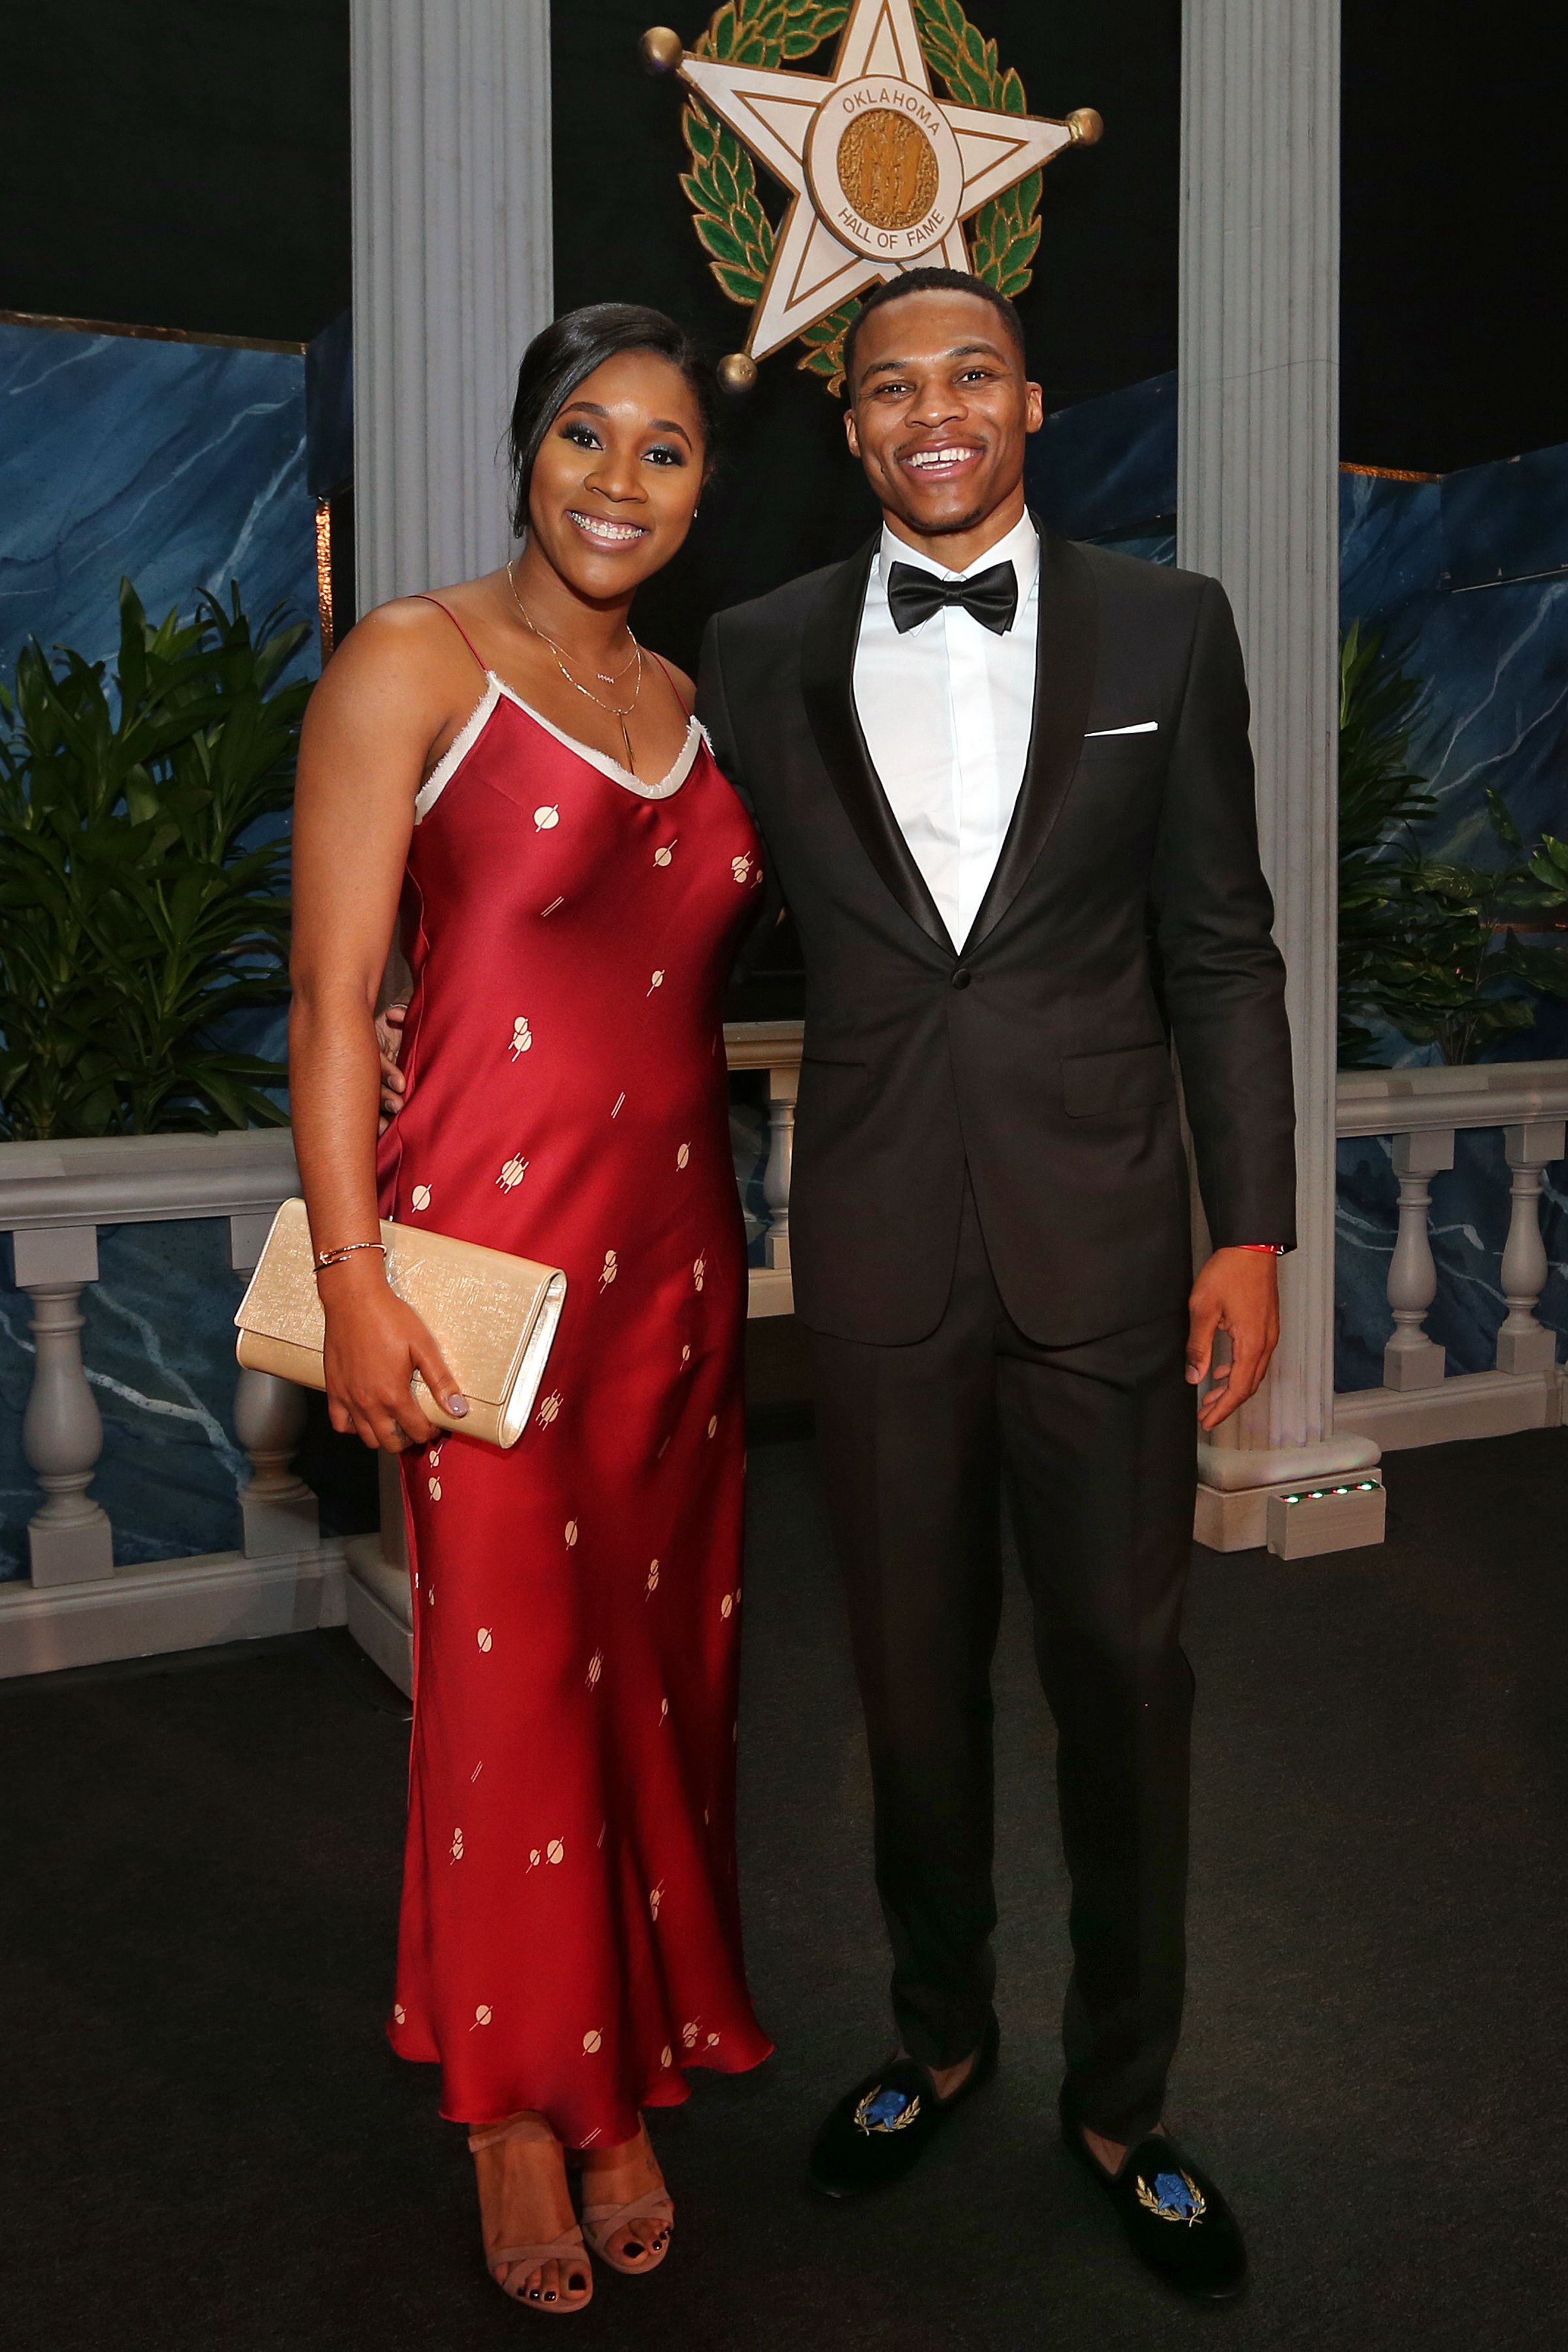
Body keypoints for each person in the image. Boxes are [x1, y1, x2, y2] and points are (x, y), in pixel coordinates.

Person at [694, 268, 1294, 2303]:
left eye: (969, 376)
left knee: (1127, 1687)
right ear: (848, 428)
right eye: (887, 389)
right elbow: (659, 907)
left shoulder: (1166, 625)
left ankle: (1124, 2102)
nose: (930, 413)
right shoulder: (758, 650)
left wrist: (1252, 1226)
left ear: (1032, 399)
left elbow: (1220, 941)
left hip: (1112, 1243)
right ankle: (942, 2040)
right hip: (873, 1257)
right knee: (907, 1694)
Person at [289, 302, 772, 2317]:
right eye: (587, 434)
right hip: (478, 1272)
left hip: (677, 1273)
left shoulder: (690, 701)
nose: (619, 480)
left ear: (699, 494)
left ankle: (621, 2069)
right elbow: (329, 1001)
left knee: (657, 1683)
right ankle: (517, 2108)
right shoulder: (417, 657)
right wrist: (351, 1278)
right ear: (525, 447)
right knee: (503, 1693)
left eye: (665, 451)